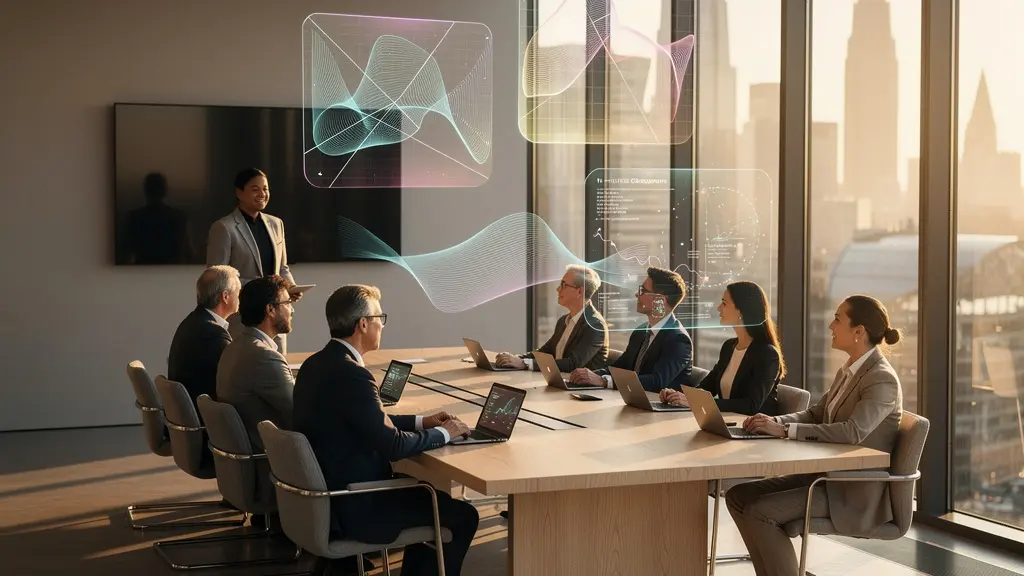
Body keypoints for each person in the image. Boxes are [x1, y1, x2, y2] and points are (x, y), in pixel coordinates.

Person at [293, 285, 478, 576]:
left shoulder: (315, 364)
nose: (382, 324)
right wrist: (446, 433)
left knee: (424, 492)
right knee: (464, 515)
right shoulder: (352, 374)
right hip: (357, 504)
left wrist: (423, 422)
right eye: (380, 317)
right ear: (363, 324)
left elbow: (363, 421)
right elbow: (392, 445)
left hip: (328, 498)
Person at [726, 294, 904, 576]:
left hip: (853, 491)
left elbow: (853, 431)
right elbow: (814, 414)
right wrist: (774, 420)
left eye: (837, 319)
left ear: (859, 331)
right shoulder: (849, 371)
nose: (831, 326)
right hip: (824, 478)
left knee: (760, 511)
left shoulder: (881, 378)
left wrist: (785, 430)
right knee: (737, 496)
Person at [206, 168, 301, 352]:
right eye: (255, 189)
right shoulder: (224, 228)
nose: (262, 194)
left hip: (275, 316)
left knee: (276, 370)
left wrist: (289, 287)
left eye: (265, 189)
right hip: (243, 317)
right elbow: (217, 277)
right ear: (239, 193)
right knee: (247, 371)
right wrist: (264, 288)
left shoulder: (276, 224)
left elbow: (282, 268)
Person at [660, 281, 784, 416]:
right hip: (727, 424)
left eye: (724, 303)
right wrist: (677, 396)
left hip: (754, 430)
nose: (719, 308)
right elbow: (707, 388)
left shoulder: (767, 354)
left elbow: (750, 405)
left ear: (741, 311)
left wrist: (696, 402)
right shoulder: (729, 347)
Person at [568, 266, 692, 392]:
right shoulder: (641, 332)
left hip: (660, 409)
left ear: (660, 301)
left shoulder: (678, 339)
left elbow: (656, 382)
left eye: (643, 290)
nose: (637, 294)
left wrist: (604, 381)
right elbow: (619, 368)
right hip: (633, 402)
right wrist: (588, 375)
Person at [216, 275, 295, 450]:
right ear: (270, 310)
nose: (292, 310)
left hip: (247, 450)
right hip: (275, 457)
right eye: (287, 303)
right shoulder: (265, 357)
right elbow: (300, 411)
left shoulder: (234, 347)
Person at [494, 264, 609, 372]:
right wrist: (513, 359)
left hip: (582, 390)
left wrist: (524, 363)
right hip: (558, 383)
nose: (558, 289)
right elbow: (545, 353)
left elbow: (572, 364)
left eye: (564, 285)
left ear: (579, 291)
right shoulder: (563, 321)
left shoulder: (595, 325)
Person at [167, 265, 240, 407]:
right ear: (225, 297)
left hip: (187, 415)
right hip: (206, 420)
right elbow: (235, 379)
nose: (240, 297)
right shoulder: (212, 332)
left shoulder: (192, 321)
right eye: (238, 292)